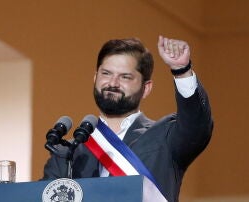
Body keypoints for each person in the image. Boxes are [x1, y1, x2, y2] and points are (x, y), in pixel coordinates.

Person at [42, 35, 213, 202]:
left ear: (146, 88)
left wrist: (182, 71)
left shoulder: (165, 137)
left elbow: (196, 125)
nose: (113, 83)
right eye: (106, 73)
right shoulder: (69, 152)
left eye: (125, 77)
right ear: (95, 78)